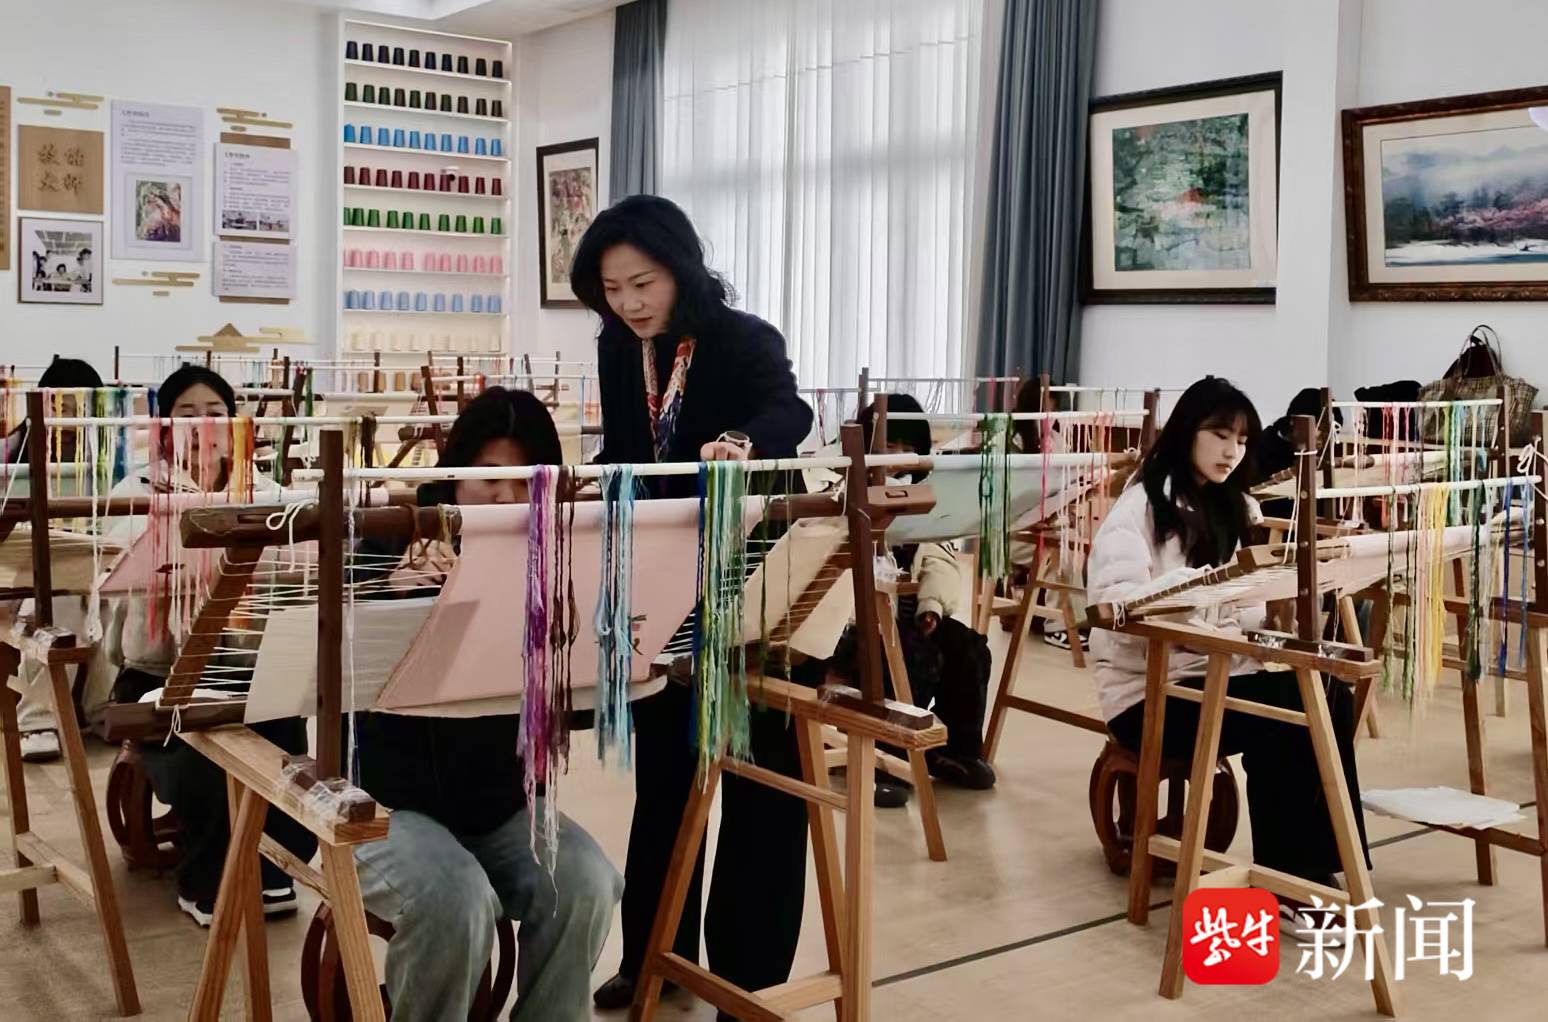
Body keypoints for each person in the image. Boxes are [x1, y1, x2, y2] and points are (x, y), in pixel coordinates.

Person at [570, 194, 814, 1014]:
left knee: (761, 776)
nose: (630, 303)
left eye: (643, 283)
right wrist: (592, 483)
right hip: (666, 576)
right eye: (613, 290)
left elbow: (790, 410)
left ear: (681, 268)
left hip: (754, 575)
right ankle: (654, 956)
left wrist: (743, 443)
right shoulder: (620, 347)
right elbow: (630, 446)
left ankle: (748, 976)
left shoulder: (743, 338)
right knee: (666, 776)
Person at [350, 386, 622, 1022]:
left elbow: (574, 712)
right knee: (455, 900)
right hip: (389, 808)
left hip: (501, 806)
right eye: (488, 476)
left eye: (523, 481)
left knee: (588, 882)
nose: (503, 496)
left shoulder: (552, 559)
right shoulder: (396, 538)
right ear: (455, 472)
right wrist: (396, 595)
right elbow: (336, 672)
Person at [1086, 377, 1370, 929]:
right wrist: (1204, 594)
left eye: (1241, 440)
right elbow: (1119, 612)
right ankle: (1289, 877)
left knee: (1327, 692)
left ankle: (1321, 869)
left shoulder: (1231, 508)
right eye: (1219, 434)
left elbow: (1241, 611)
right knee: (1292, 706)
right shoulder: (1139, 508)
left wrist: (1273, 612)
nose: (1232, 451)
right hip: (1149, 696)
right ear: (1186, 431)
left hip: (1214, 676)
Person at [98, 365, 318, 926]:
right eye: (186, 414)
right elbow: (120, 581)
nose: (202, 426)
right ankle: (205, 877)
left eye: (215, 414)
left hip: (248, 663)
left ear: (236, 423)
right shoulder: (138, 492)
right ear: (163, 427)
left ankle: (274, 864)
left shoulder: (269, 494)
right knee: (203, 749)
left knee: (285, 732)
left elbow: (298, 569)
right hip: (160, 671)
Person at [825, 394, 995, 805]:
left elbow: (939, 556)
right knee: (908, 653)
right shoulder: (837, 489)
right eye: (889, 445)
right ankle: (885, 759)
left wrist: (931, 606)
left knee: (969, 647)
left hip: (906, 614)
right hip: (848, 623)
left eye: (908, 447)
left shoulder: (923, 496)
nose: (898, 456)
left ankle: (955, 750)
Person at [3, 357, 103, 762]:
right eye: (61, 407)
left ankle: (100, 707)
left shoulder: (108, 457)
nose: (69, 420)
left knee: (115, 600)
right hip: (22, 572)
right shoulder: (12, 456)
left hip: (88, 564)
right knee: (57, 600)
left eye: (80, 409)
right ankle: (38, 718)